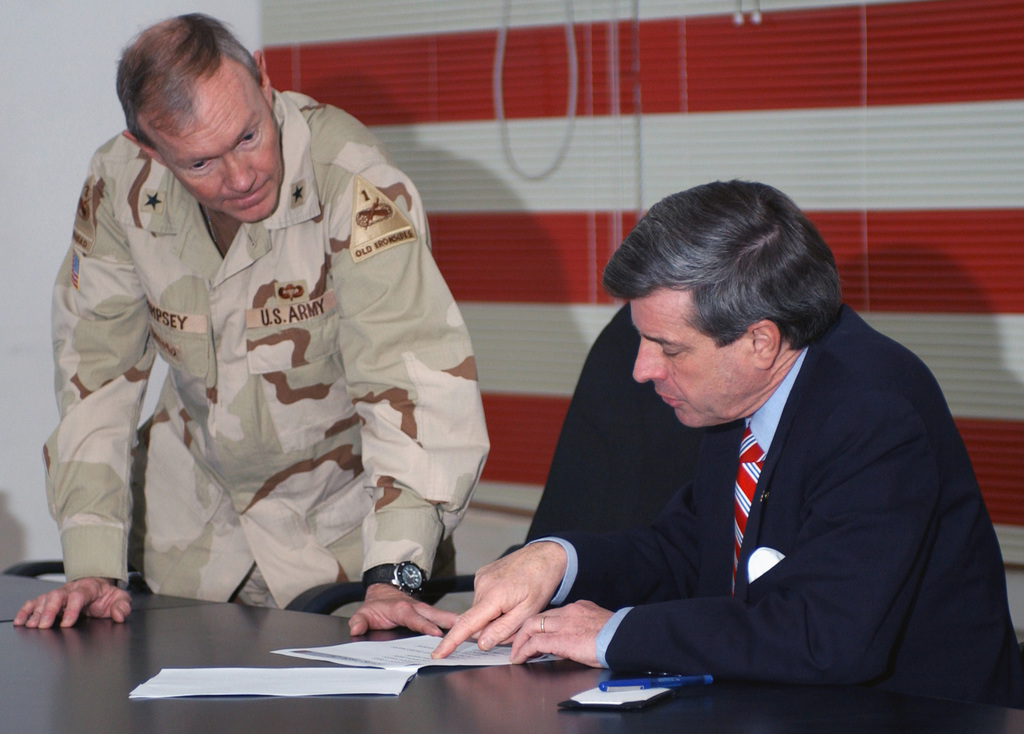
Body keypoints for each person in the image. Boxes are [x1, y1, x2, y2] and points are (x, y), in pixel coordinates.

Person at [433, 180, 1024, 708]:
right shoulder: (745, 393)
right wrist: (557, 561)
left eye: (668, 348)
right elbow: (691, 550)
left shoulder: (874, 411)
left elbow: (827, 637)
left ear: (760, 342)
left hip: (916, 716)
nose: (640, 370)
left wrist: (613, 633)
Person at [16, 14, 488, 636]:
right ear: (149, 152)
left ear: (265, 81)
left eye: (247, 137)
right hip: (189, 547)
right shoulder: (120, 189)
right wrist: (92, 567)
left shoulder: (350, 178)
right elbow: (95, 381)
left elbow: (413, 382)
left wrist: (394, 576)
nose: (240, 178)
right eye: (201, 163)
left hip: (348, 554)